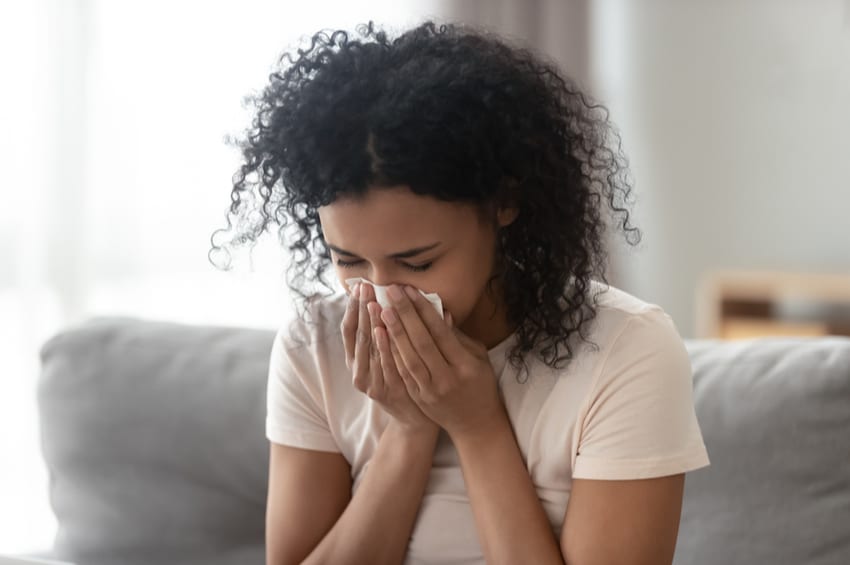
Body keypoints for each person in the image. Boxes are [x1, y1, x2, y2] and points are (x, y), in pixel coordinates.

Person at [212, 20, 710, 565]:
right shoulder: (315, 348)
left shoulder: (626, 350)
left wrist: (478, 427)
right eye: (348, 260)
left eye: (417, 262)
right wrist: (407, 432)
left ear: (504, 204)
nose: (381, 295)